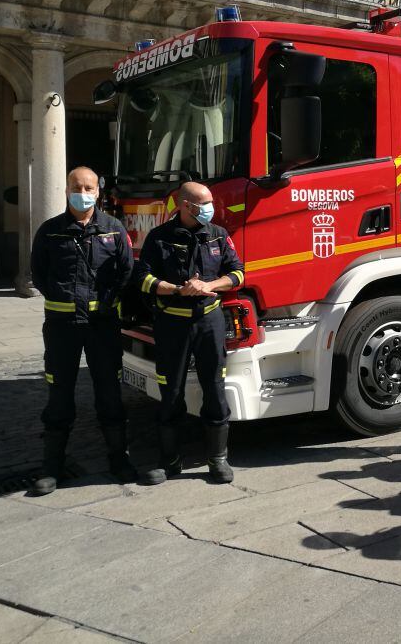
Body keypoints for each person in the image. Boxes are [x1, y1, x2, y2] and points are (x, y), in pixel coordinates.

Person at [29, 166, 136, 496]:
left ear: (98, 192)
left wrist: (105, 303)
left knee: (109, 392)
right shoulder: (49, 231)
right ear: (66, 190)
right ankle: (53, 466)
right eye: (78, 186)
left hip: (103, 327)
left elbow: (125, 273)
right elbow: (40, 275)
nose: (84, 191)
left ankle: (119, 459)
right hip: (62, 327)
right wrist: (65, 299)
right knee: (59, 393)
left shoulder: (113, 229)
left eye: (90, 187)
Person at [135, 181, 245, 485]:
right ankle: (169, 462)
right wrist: (176, 289)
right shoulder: (159, 238)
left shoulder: (218, 235)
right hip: (172, 323)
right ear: (185, 206)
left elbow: (237, 273)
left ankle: (217, 460)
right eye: (203, 203)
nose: (210, 208)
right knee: (170, 393)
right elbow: (142, 278)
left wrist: (208, 286)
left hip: (209, 323)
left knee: (215, 389)